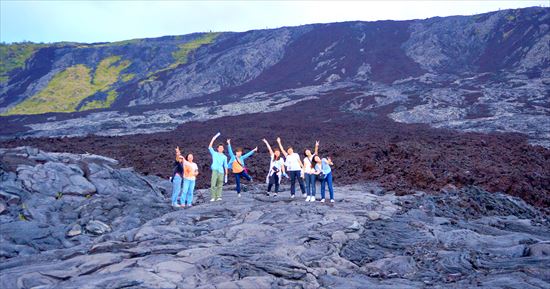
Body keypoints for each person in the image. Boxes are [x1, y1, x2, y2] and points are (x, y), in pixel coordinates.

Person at [208, 132, 228, 202]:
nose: (220, 148)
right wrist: (213, 139)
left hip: (221, 171)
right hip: (215, 170)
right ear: (217, 148)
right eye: (219, 147)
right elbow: (210, 147)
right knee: (213, 183)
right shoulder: (214, 153)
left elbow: (225, 165)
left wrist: (226, 174)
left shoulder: (225, 157)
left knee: (220, 184)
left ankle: (219, 196)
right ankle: (213, 197)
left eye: (222, 148)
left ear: (223, 149)